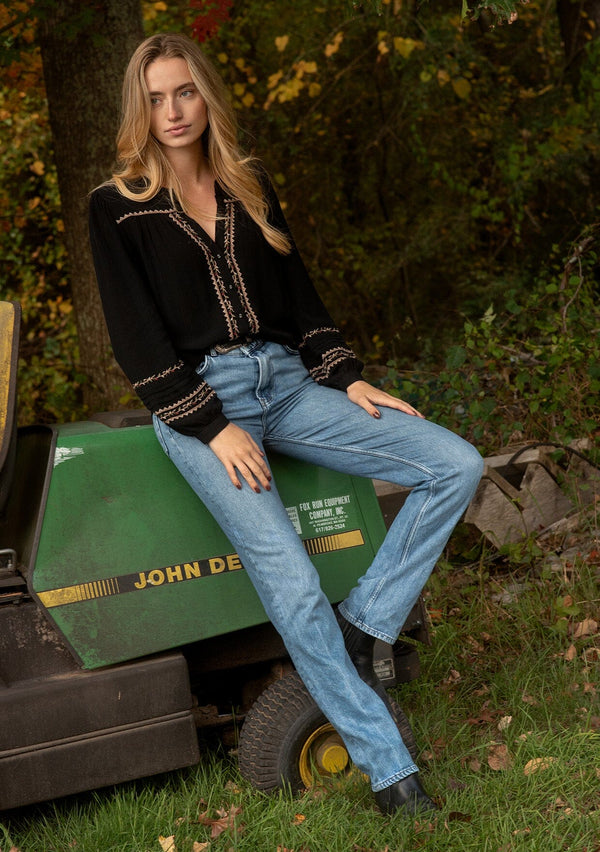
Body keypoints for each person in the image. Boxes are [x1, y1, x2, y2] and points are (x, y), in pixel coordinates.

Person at [88, 32, 484, 817]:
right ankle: (390, 773)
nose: (173, 111)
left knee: (456, 463)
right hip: (203, 402)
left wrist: (351, 377)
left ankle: (368, 620)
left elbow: (301, 303)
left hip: (290, 385)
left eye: (186, 92)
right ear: (142, 107)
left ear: (207, 97)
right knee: (294, 586)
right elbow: (136, 340)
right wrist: (210, 425)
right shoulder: (117, 206)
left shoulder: (249, 182)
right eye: (157, 98)